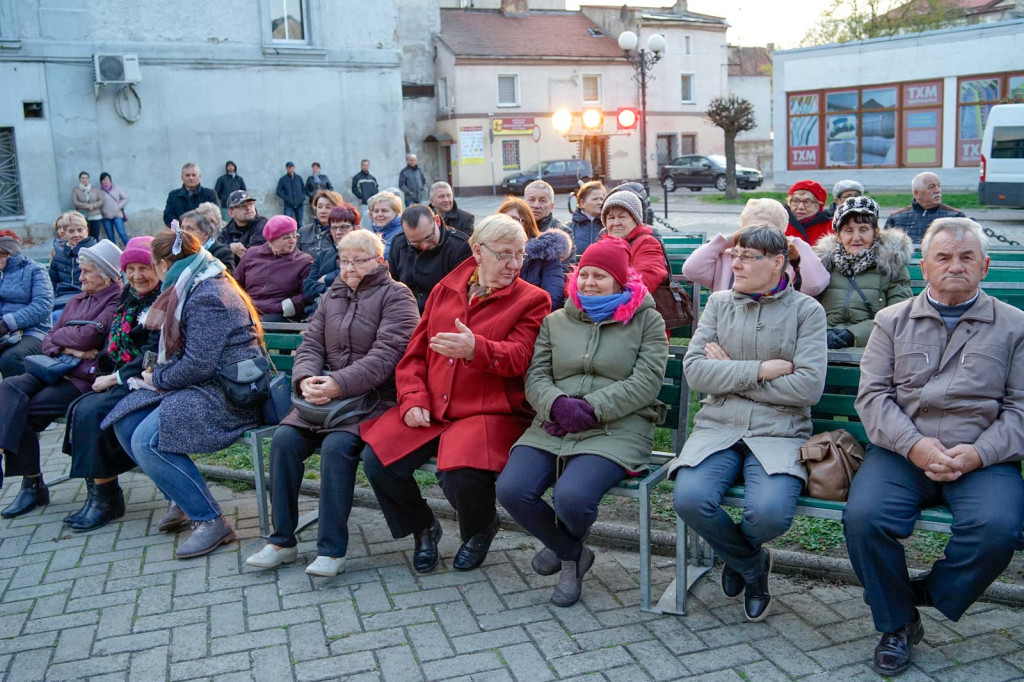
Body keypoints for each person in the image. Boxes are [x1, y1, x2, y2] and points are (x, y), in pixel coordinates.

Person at [843, 218, 1024, 677]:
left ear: (984, 266)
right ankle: (898, 624)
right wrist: (915, 446)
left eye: (966, 257)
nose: (955, 266)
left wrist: (979, 453)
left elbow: (1021, 408)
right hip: (902, 452)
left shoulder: (1015, 326)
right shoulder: (891, 321)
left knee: (998, 528)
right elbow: (873, 397)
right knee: (864, 518)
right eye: (943, 257)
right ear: (924, 267)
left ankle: (921, 593)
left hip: (983, 457)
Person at [360, 214, 550, 574]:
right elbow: (415, 354)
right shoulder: (445, 289)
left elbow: (521, 357)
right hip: (433, 405)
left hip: (488, 409)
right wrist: (413, 397)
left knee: (461, 471)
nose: (514, 264)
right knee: (378, 460)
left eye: (520, 254)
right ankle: (422, 527)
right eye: (505, 255)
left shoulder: (532, 299)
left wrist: (477, 348)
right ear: (478, 251)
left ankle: (480, 529)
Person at [497, 238, 668, 606]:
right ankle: (573, 554)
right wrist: (558, 405)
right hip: (553, 424)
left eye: (600, 276)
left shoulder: (647, 321)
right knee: (511, 489)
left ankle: (562, 552)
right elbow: (536, 375)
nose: (589, 282)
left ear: (619, 281)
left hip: (617, 427)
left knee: (572, 498)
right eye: (584, 274)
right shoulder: (556, 320)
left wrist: (590, 408)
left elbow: (646, 382)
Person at [671, 225, 827, 623]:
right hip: (719, 426)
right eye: (734, 255)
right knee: (690, 499)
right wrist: (760, 370)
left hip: (780, 430)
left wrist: (731, 375)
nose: (735, 264)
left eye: (747, 257)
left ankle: (735, 556)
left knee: (771, 512)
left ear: (777, 263)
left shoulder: (807, 311)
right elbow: (696, 372)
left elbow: (807, 387)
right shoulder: (719, 303)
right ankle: (753, 565)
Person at [246, 230, 420, 577]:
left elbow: (387, 356)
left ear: (379, 261)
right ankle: (281, 542)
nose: (350, 268)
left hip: (372, 401)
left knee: (337, 447)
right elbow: (310, 344)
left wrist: (338, 384)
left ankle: (331, 549)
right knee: (284, 440)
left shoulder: (397, 296)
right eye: (344, 261)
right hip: (326, 401)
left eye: (359, 261)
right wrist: (305, 379)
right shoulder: (332, 295)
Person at [102, 229, 264, 559]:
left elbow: (198, 366)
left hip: (230, 393)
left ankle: (211, 520)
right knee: (126, 420)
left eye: (152, 266)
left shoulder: (208, 294)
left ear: (164, 265)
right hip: (206, 385)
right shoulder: (193, 284)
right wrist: (156, 376)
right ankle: (181, 497)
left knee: (146, 439)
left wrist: (157, 377)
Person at [0, 240, 122, 518]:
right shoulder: (78, 299)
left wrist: (65, 341)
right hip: (54, 367)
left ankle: (32, 486)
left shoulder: (115, 299)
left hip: (80, 378)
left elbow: (91, 336)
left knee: (26, 411)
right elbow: (48, 339)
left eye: (86, 272)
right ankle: (21, 473)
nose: (80, 278)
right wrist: (70, 348)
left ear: (106, 274)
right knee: (9, 385)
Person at [61, 237, 161, 531]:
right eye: (130, 269)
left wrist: (115, 377)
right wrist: (103, 369)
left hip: (147, 381)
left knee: (93, 412)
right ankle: (101, 494)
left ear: (158, 267)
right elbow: (114, 340)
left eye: (144, 268)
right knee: (81, 406)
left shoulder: (162, 300)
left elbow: (153, 353)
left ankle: (105, 500)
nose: (137, 275)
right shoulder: (129, 294)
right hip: (121, 376)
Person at [813, 197, 912, 349]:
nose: (856, 237)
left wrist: (852, 335)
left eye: (864, 229)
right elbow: (807, 310)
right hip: (822, 342)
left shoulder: (891, 266)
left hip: (873, 345)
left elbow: (898, 315)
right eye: (848, 230)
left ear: (876, 233)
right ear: (838, 236)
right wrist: (823, 333)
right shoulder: (824, 264)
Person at [682, 198, 830, 296]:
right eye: (751, 232)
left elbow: (814, 286)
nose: (759, 239)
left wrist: (796, 244)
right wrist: (726, 241)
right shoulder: (729, 256)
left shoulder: (785, 256)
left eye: (768, 234)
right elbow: (692, 269)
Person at [387, 205, 472, 313]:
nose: (424, 246)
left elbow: (459, 294)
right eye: (415, 243)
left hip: (444, 312)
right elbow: (393, 284)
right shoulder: (399, 242)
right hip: (407, 312)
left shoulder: (460, 247)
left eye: (428, 237)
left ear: (437, 221)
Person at [235, 216, 313, 322]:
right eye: (286, 237)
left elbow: (307, 293)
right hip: (247, 309)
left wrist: (286, 306)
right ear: (271, 239)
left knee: (253, 324)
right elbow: (235, 283)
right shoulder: (251, 254)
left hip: (279, 314)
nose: (292, 241)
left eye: (295, 236)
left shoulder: (303, 261)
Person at [499, 196, 571, 310]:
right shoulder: (488, 252)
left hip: (531, 315)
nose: (509, 225)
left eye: (516, 220)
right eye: (505, 220)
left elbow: (552, 298)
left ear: (527, 224)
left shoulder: (546, 254)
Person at [0, 231, 53, 379]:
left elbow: (43, 305)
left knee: (11, 357)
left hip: (33, 331)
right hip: (4, 333)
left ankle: (21, 392)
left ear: (13, 253)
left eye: (2, 254)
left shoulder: (35, 270)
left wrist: (7, 323)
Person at [599, 191, 667, 296]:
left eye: (622, 217)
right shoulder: (602, 245)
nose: (616, 223)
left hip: (635, 304)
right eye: (611, 218)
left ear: (635, 220)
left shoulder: (647, 243)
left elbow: (642, 283)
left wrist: (599, 291)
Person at [303, 204, 362, 311]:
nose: (338, 232)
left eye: (343, 227)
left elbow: (355, 282)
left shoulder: (365, 254)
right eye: (334, 228)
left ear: (356, 228)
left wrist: (327, 278)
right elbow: (308, 287)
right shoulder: (323, 255)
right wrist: (326, 288)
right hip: (318, 311)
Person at [884, 172, 965, 242]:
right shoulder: (896, 218)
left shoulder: (955, 217)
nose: (938, 191)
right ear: (916, 193)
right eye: (931, 187)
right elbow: (886, 248)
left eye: (939, 186)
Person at [50, 212, 97, 322]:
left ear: (86, 230)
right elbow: (52, 284)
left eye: (80, 230)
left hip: (88, 298)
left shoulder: (96, 252)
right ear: (64, 233)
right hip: (62, 300)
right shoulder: (58, 255)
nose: (76, 234)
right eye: (71, 231)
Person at [218, 190, 269, 263]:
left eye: (250, 204)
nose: (248, 208)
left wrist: (229, 251)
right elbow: (215, 250)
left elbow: (253, 255)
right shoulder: (227, 229)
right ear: (231, 213)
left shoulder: (262, 224)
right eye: (242, 206)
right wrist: (230, 247)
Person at [182, 205, 235, 274]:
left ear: (205, 233)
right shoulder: (180, 251)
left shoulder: (222, 253)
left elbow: (227, 278)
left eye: (190, 229)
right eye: (182, 228)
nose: (183, 232)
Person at [163, 163, 217, 227]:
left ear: (199, 177)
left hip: (203, 231)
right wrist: (181, 227)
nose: (191, 178)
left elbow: (214, 216)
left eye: (193, 175)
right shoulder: (173, 195)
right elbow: (168, 216)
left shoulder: (209, 194)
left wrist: (196, 227)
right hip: (179, 230)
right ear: (182, 178)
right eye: (187, 175)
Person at [298, 190, 345, 258]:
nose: (323, 211)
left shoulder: (342, 233)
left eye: (328, 207)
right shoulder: (303, 231)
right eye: (320, 207)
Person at [785, 180, 833, 246]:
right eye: (795, 201)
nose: (800, 207)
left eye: (807, 202)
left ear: (819, 205)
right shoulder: (781, 224)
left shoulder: (830, 228)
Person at [567, 181, 605, 255]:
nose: (600, 202)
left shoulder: (609, 226)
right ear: (582, 203)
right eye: (595, 199)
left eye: (601, 199)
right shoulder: (568, 228)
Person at [368, 191, 404, 259]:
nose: (379, 214)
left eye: (384, 211)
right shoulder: (376, 231)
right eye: (376, 211)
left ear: (397, 212)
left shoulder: (402, 233)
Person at [98, 172, 130, 246]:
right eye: (103, 180)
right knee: (110, 236)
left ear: (110, 180)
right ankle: (114, 251)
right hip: (105, 217)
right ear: (101, 181)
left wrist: (119, 206)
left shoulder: (117, 188)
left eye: (107, 179)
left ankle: (130, 248)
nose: (105, 181)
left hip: (117, 215)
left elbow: (125, 198)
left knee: (122, 233)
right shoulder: (99, 191)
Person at [71, 172, 104, 241]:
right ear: (80, 179)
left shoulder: (95, 189)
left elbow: (101, 200)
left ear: (89, 179)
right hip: (83, 216)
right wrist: (86, 206)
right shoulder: (76, 190)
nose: (84, 180)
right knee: (85, 236)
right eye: (83, 178)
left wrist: (93, 206)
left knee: (95, 235)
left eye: (86, 178)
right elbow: (75, 202)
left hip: (95, 216)